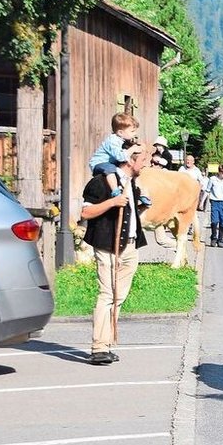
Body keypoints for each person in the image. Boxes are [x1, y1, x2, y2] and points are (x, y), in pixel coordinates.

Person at [80, 143, 150, 365]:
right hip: (108, 245)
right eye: (143, 160)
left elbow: (127, 215)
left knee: (119, 296)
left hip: (129, 247)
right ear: (130, 161)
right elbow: (86, 212)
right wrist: (112, 202)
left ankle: (107, 343)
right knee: (107, 294)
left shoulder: (132, 184)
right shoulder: (101, 181)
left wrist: (141, 209)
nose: (146, 164)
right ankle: (98, 347)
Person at [87, 113, 139, 198]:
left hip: (109, 162)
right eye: (132, 131)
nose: (135, 133)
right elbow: (120, 156)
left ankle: (137, 190)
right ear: (120, 132)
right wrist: (132, 149)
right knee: (110, 170)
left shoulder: (121, 140)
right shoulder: (113, 141)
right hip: (100, 163)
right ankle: (115, 191)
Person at [203, 164, 223, 247]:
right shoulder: (212, 179)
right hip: (214, 202)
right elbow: (207, 190)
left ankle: (220, 239)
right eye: (222, 173)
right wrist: (202, 203)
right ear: (219, 172)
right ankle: (213, 237)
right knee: (214, 221)